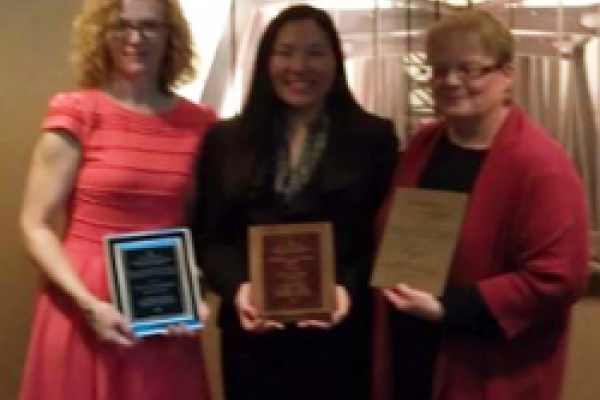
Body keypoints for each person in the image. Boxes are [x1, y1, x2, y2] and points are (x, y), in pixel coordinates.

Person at [187, 5, 398, 400]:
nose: (299, 66)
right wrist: (239, 289)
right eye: (285, 52)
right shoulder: (224, 141)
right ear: (266, 61)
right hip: (251, 341)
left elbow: (383, 238)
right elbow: (210, 236)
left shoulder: (374, 139)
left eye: (315, 52)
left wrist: (346, 290)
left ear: (336, 61)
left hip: (340, 338)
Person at [380, 9, 590, 400]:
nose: (451, 81)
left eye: (470, 69)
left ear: (507, 75)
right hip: (411, 354)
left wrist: (449, 308)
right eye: (439, 69)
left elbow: (558, 278)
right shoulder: (424, 146)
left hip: (489, 372)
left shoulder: (541, 166)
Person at [18, 1, 216, 399]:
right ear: (101, 34)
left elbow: (203, 226)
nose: (134, 39)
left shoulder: (201, 123)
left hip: (162, 306)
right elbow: (34, 224)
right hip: (83, 302)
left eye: (149, 27)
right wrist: (89, 304)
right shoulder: (77, 112)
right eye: (121, 27)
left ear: (170, 36)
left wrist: (195, 291)